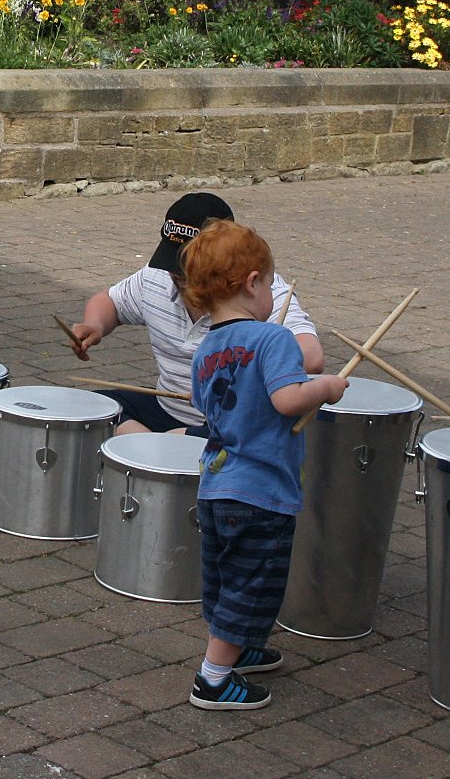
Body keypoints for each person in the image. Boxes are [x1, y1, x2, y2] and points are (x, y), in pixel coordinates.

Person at [180, 219, 349, 710]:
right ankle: (213, 678)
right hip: (260, 489)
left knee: (225, 576)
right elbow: (287, 398)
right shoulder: (272, 339)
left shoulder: (205, 350)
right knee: (254, 582)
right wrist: (328, 387)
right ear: (252, 283)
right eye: (272, 284)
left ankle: (241, 647)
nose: (273, 294)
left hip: (215, 483)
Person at [68, 192, 324, 435]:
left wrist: (235, 372)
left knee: (227, 440)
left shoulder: (260, 295)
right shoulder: (155, 277)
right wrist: (95, 325)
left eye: (192, 266)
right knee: (93, 408)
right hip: (165, 407)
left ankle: (157, 448)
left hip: (229, 422)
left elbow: (311, 357)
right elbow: (109, 301)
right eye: (174, 262)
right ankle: (153, 445)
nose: (178, 275)